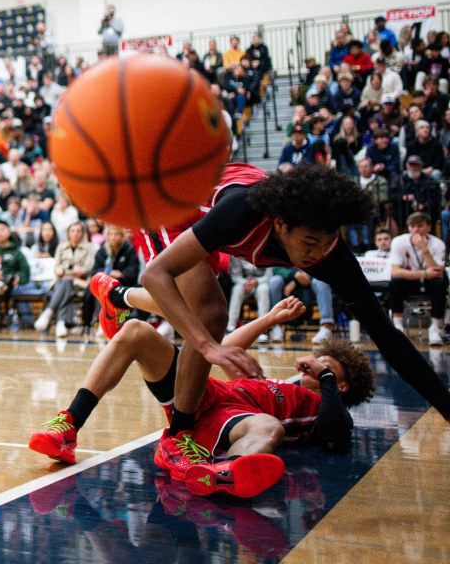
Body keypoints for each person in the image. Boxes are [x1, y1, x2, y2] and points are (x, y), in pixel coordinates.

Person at [101, 163, 450, 489]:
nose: (319, 252)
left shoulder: (329, 251)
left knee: (207, 313)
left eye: (329, 241)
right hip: (173, 203)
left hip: (212, 215)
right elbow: (155, 273)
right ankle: (177, 438)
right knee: (210, 316)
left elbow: (388, 337)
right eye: (311, 243)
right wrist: (209, 346)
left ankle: (118, 298)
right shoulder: (242, 212)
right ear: (281, 224)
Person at [30, 296, 374, 497]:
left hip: (229, 421)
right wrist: (269, 318)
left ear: (339, 385)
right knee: (136, 330)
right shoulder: (278, 385)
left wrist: (325, 375)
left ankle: (224, 472)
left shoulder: (321, 407)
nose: (313, 363)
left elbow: (337, 433)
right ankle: (69, 425)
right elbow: (225, 351)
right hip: (202, 395)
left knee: (269, 426)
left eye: (325, 364)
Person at [388, 211, 446, 346]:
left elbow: (438, 272)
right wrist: (424, 274)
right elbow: (395, 271)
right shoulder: (398, 241)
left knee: (440, 283)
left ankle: (435, 328)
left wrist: (424, 249)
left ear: (428, 227)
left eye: (420, 226)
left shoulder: (438, 244)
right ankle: (397, 326)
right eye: (412, 226)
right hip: (411, 280)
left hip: (430, 282)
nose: (416, 230)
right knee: (396, 282)